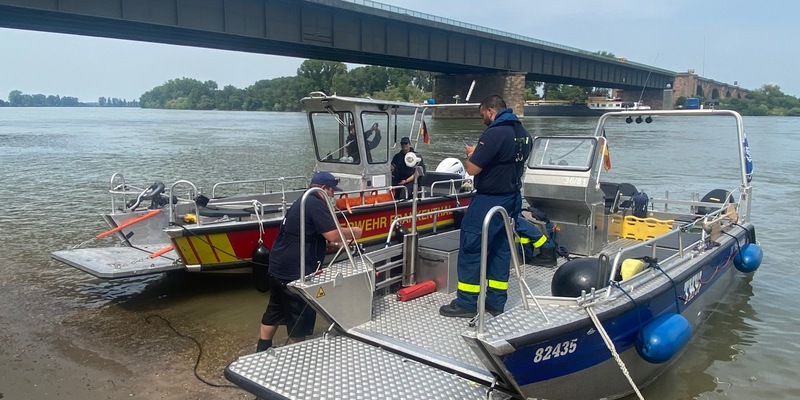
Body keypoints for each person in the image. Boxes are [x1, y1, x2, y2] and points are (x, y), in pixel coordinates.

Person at [439, 95, 532, 318]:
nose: (483, 120)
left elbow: (471, 170)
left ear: (490, 111)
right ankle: (496, 302)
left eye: (482, 115)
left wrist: (472, 154)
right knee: (501, 249)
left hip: (489, 199)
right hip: (512, 198)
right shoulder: (523, 133)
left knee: (472, 246)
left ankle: (467, 302)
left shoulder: (495, 133)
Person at [257, 171, 363, 352]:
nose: (332, 195)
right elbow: (333, 233)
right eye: (331, 191)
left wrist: (328, 246)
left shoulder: (302, 201)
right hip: (295, 270)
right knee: (300, 317)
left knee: (274, 310)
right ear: (323, 189)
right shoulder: (315, 203)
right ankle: (294, 356)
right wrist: (354, 231)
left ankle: (262, 348)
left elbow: (308, 232)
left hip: (277, 265)